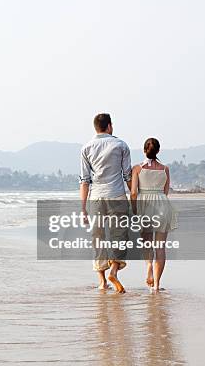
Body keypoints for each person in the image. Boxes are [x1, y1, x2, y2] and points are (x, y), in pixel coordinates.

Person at [80, 113, 132, 293]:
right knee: (120, 236)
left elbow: (85, 180)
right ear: (109, 126)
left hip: (95, 198)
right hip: (116, 196)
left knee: (98, 239)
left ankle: (102, 282)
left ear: (96, 127)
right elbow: (127, 176)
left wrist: (83, 208)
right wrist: (135, 200)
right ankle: (114, 271)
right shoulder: (121, 145)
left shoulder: (86, 148)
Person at [130, 138, 177, 292]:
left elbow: (134, 192)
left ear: (144, 150)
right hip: (162, 205)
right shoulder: (165, 169)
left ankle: (149, 266)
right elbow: (165, 191)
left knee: (147, 243)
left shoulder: (137, 168)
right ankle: (156, 286)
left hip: (145, 206)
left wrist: (134, 209)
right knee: (161, 247)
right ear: (158, 151)